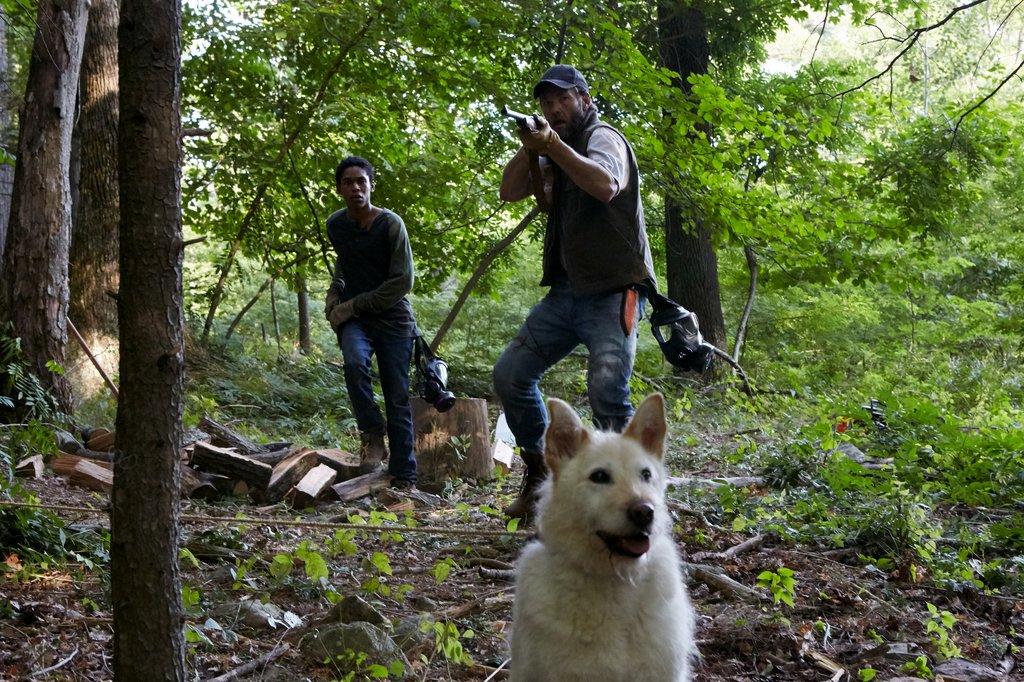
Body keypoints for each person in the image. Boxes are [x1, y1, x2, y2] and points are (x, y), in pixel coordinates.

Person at [495, 64, 657, 520]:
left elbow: (605, 185)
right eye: (546, 103)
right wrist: (531, 148)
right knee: (510, 375)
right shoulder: (550, 147)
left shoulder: (604, 137)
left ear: (584, 99)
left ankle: (630, 495)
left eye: (563, 99)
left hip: (613, 290)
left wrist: (553, 146)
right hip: (566, 293)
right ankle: (545, 476)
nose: (554, 108)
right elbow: (510, 193)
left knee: (607, 393)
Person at [325, 156, 418, 490]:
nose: (355, 188)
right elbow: (343, 266)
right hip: (355, 321)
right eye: (348, 182)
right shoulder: (336, 224)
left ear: (371, 185)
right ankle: (371, 432)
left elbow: (402, 282)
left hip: (393, 318)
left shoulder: (391, 225)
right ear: (340, 189)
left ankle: (404, 475)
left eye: (361, 181)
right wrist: (334, 298)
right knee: (353, 363)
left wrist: (351, 306)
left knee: (397, 395)